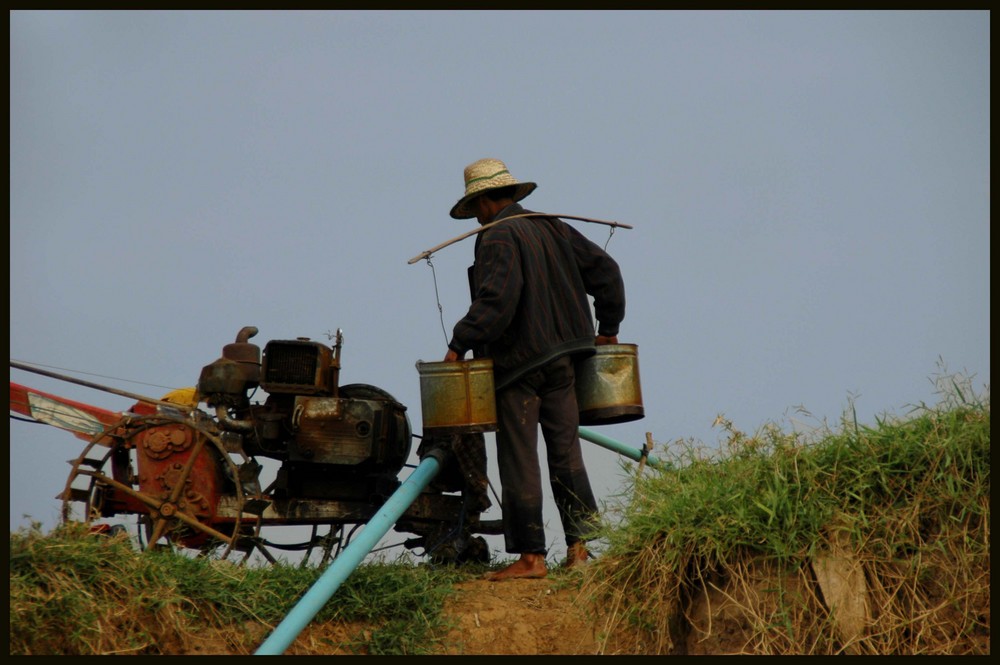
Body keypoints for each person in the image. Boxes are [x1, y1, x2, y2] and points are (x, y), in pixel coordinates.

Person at [443, 158, 626, 581]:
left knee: (519, 456)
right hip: (565, 359)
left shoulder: (497, 236)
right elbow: (607, 272)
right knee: (566, 452)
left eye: (476, 208)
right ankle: (579, 550)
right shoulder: (553, 226)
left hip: (520, 363)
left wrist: (459, 341)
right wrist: (609, 328)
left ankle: (531, 558)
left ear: (485, 201)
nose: (477, 216)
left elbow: (497, 302)